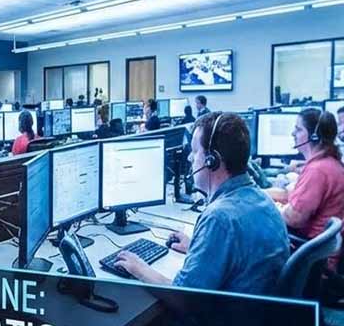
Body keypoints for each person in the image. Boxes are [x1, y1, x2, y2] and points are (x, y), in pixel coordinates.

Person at [115, 113, 288, 294]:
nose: (190, 158)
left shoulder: (219, 218)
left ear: (211, 160)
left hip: (230, 312)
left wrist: (139, 268)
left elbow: (184, 296)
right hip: (260, 308)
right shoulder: (262, 199)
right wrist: (197, 248)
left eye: (195, 151)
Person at [267, 108, 344, 270]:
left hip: (313, 261)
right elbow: (294, 197)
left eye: (298, 129)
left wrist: (271, 208)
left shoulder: (318, 170)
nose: (293, 133)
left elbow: (294, 218)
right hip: (317, 254)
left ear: (314, 136)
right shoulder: (328, 163)